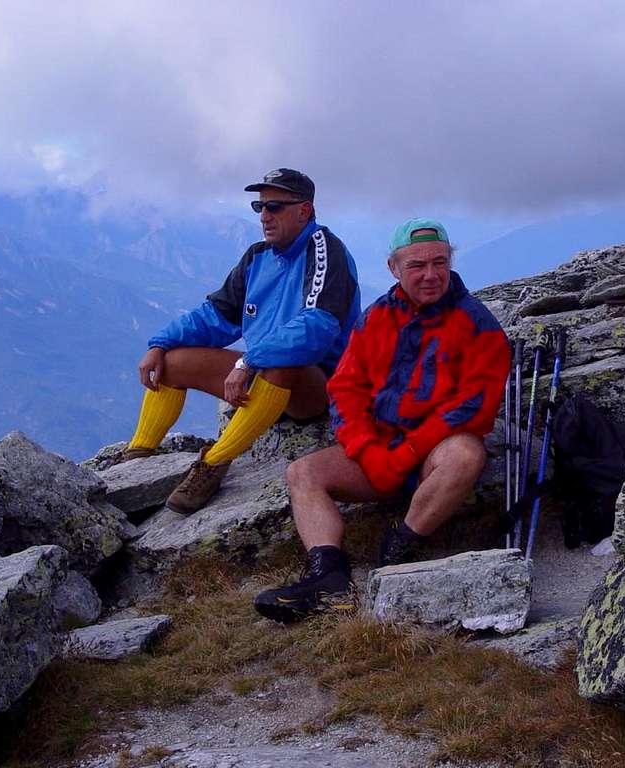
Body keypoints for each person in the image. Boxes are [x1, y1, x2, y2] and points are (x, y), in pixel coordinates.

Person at [254, 217, 511, 623]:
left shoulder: (477, 323)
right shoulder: (376, 318)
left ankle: (398, 547)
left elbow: (474, 405)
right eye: (417, 265)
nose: (431, 275)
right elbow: (345, 389)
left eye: (439, 263)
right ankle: (329, 581)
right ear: (394, 268)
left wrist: (408, 451)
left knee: (465, 454)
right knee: (303, 473)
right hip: (378, 450)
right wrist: (365, 449)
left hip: (431, 456)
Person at [117, 168, 361, 514]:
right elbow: (215, 316)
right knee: (172, 363)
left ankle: (213, 464)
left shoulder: (325, 252)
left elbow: (317, 328)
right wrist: (159, 343)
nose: (264, 216)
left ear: (304, 210)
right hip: (257, 377)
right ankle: (139, 453)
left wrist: (250, 361)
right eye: (259, 208)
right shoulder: (257, 257)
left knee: (284, 362)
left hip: (312, 387)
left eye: (274, 207)